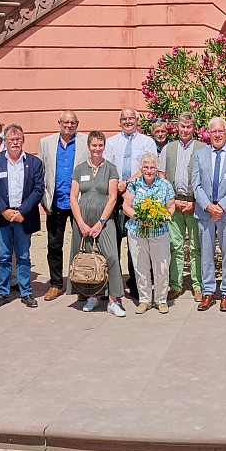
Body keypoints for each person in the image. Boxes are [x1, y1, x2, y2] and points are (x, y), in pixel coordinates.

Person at [0, 124, 45, 308]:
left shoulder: (34, 163)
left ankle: (26, 292)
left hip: (24, 217)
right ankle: (2, 292)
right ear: (5, 142)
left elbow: (38, 189)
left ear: (23, 141)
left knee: (24, 256)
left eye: (18, 139)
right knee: (2, 256)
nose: (15, 143)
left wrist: (22, 212)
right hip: (1, 216)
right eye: (11, 140)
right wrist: (5, 211)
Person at [191, 117, 226, 312]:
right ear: (209, 134)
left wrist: (221, 206)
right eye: (213, 131)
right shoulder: (200, 154)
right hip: (205, 213)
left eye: (220, 131)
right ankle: (208, 292)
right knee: (206, 253)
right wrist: (208, 206)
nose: (217, 135)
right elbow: (195, 185)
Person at [67, 130, 124, 312]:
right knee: (87, 258)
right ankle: (92, 297)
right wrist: (81, 224)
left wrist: (100, 222)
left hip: (104, 219)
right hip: (82, 219)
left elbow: (113, 197)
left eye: (100, 145)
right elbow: (73, 197)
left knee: (112, 256)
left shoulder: (111, 168)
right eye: (94, 145)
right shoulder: (80, 169)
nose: (97, 149)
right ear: (89, 146)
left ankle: (114, 301)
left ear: (104, 147)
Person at [106, 108, 157, 300]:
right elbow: (108, 167)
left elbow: (148, 167)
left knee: (136, 244)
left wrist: (127, 183)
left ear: (137, 120)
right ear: (120, 121)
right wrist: (117, 185)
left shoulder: (147, 142)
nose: (128, 121)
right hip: (114, 197)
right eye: (124, 119)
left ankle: (137, 285)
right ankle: (113, 285)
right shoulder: (111, 143)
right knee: (113, 243)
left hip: (138, 198)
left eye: (131, 118)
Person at [38, 111, 89, 301]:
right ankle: (56, 284)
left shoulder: (85, 141)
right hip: (55, 203)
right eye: (66, 122)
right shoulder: (46, 142)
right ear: (59, 123)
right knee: (54, 245)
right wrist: (44, 199)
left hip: (79, 202)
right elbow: (40, 172)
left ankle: (82, 284)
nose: (69, 125)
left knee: (82, 246)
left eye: (73, 122)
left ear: (77, 123)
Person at [160, 112, 204, 300]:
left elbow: (207, 179)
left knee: (196, 247)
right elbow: (162, 177)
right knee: (175, 246)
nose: (185, 130)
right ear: (177, 128)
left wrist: (195, 203)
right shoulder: (168, 149)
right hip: (174, 204)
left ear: (194, 128)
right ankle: (175, 284)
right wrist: (172, 201)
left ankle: (198, 285)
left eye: (189, 127)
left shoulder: (203, 148)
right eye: (182, 126)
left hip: (195, 204)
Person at [123, 150, 174, 315]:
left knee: (161, 266)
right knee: (140, 266)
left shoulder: (165, 185)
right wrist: (139, 217)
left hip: (159, 231)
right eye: (146, 167)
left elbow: (171, 206)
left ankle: (161, 300)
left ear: (157, 168)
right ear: (141, 168)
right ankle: (144, 300)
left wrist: (162, 217)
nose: (149, 170)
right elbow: (126, 206)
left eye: (152, 167)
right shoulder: (134, 184)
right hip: (137, 231)